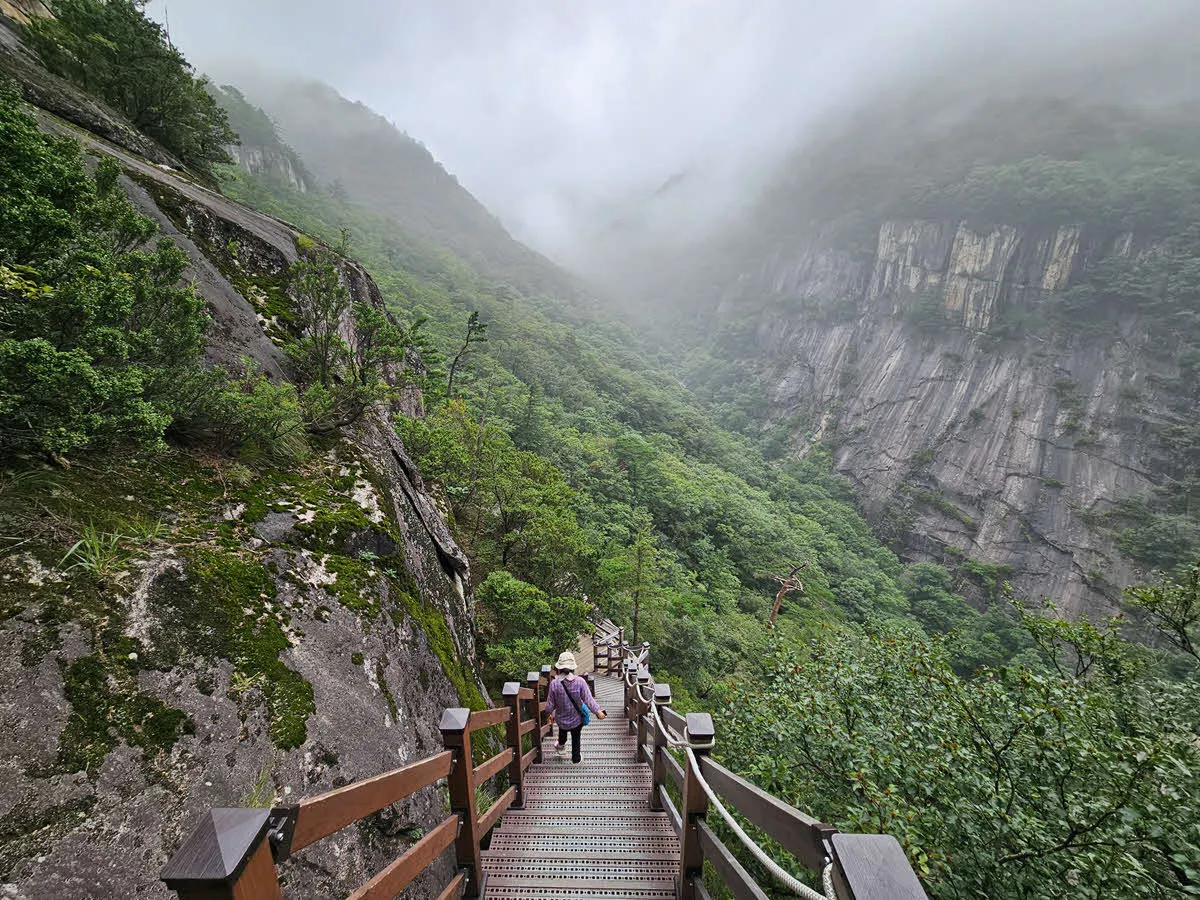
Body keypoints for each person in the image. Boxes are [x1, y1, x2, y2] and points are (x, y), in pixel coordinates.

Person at [544, 650, 605, 763]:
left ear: (559, 668)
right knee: (576, 737)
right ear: (573, 667)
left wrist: (548, 713)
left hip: (561, 719)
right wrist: (598, 711)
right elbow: (588, 699)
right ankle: (576, 758)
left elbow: (550, 705)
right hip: (577, 719)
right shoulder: (580, 682)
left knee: (562, 733)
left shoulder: (554, 683)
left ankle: (561, 746)